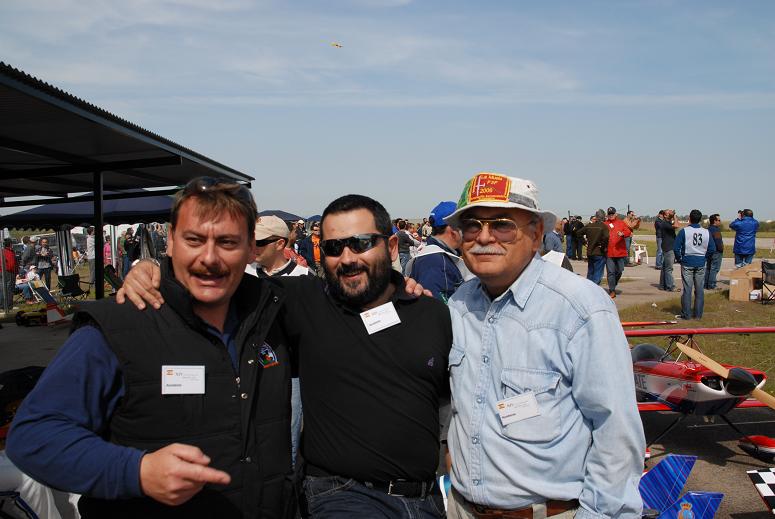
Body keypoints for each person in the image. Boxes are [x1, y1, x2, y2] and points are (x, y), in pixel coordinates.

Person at [119, 194, 451, 519]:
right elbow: (215, 279)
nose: (347, 258)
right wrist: (151, 268)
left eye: (361, 243)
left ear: (391, 247)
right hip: (343, 494)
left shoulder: (432, 313)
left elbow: (450, 401)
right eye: (334, 248)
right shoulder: (302, 301)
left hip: (427, 499)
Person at [7, 177, 293, 518]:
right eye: (194, 240)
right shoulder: (118, 326)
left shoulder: (274, 312)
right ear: (170, 241)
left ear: (250, 248)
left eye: (228, 242)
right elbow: (34, 436)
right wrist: (137, 471)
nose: (209, 258)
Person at [442, 172, 645, 519]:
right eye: (472, 226)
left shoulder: (579, 306)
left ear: (536, 235)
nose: (484, 237)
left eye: (502, 225)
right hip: (462, 509)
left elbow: (616, 430)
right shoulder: (459, 303)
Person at [406, 201, 472, 302]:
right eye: (465, 225)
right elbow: (435, 307)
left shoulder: (438, 256)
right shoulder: (434, 263)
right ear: (452, 229)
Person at [675, 209, 715, 320]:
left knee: (687, 290)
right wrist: (704, 258)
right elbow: (712, 248)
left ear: (689, 218)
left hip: (687, 262)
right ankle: (698, 315)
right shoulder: (706, 232)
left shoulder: (684, 231)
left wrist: (680, 259)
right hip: (701, 262)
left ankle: (686, 314)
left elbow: (676, 248)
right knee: (699, 290)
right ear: (700, 219)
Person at [575, 209, 609, 285]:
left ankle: (588, 287)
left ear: (596, 217)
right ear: (603, 217)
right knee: (598, 272)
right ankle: (594, 287)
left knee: (591, 271)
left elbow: (578, 233)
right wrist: (603, 246)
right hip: (599, 252)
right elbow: (606, 237)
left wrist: (584, 242)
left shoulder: (589, 226)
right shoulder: (604, 226)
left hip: (590, 252)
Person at [604, 207, 631, 298]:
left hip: (620, 251)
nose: (611, 215)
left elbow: (628, 232)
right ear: (607, 215)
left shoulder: (621, 223)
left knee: (620, 270)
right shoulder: (605, 224)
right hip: (609, 252)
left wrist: (623, 234)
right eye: (609, 214)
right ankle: (612, 290)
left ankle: (613, 283)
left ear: (616, 214)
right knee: (610, 272)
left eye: (612, 214)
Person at [656, 209, 679, 291]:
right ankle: (670, 286)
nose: (671, 213)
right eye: (669, 213)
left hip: (667, 246)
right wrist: (675, 216)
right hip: (669, 247)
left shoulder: (667, 223)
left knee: (665, 267)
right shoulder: (665, 223)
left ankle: (662, 285)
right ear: (665, 215)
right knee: (669, 268)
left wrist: (672, 216)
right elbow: (676, 226)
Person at [705, 214, 724, 289]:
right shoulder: (716, 230)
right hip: (716, 252)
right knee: (714, 268)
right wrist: (721, 250)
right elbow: (718, 241)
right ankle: (712, 285)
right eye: (719, 220)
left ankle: (706, 284)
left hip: (709, 251)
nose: (720, 221)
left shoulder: (708, 229)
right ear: (714, 221)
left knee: (708, 268)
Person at [2, 238, 17, 308]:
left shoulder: (4, 251)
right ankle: (8, 305)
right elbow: (11, 264)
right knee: (9, 288)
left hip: (6, 271)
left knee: (4, 288)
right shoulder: (8, 251)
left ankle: (4, 304)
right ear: (10, 244)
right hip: (8, 272)